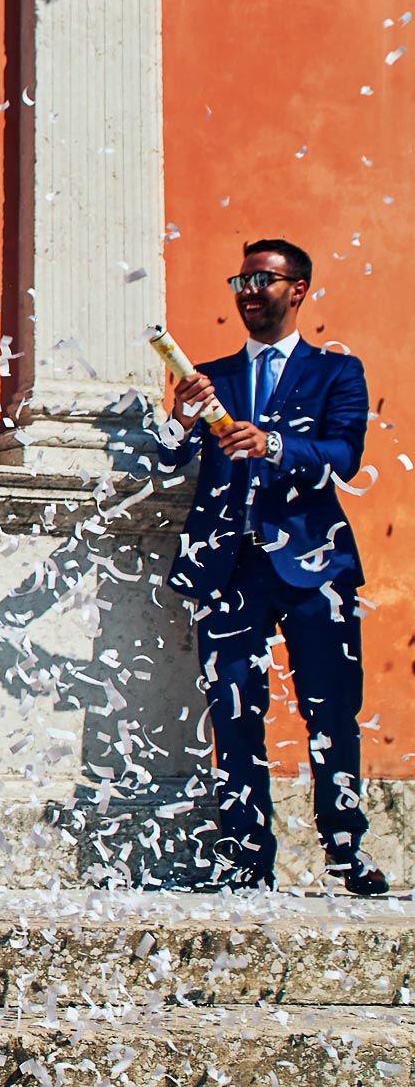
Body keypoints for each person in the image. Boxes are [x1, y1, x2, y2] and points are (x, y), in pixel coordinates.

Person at [160, 238, 386, 896]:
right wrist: (180, 416)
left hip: (316, 567)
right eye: (242, 280)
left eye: (263, 279)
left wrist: (275, 444)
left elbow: (343, 454)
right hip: (228, 569)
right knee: (233, 712)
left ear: (298, 289)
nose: (250, 291)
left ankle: (344, 847)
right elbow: (169, 458)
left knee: (332, 709)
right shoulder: (212, 377)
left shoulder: (337, 372)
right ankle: (245, 854)